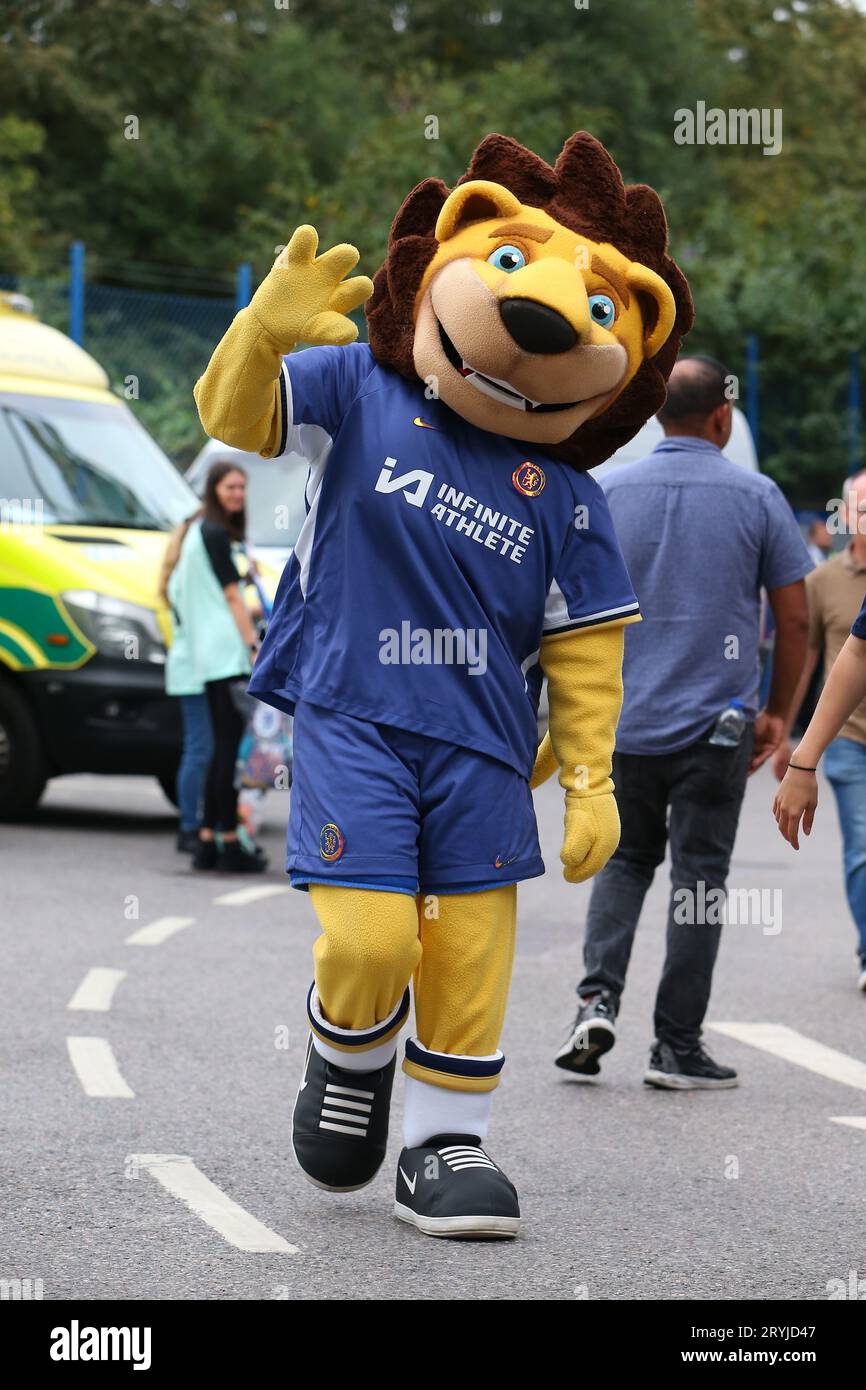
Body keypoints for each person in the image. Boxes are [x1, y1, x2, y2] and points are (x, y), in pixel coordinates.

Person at [193, 132, 693, 1238]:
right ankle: (347, 1044)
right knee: (372, 940)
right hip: (350, 711)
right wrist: (255, 331)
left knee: (467, 949)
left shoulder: (565, 499)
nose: (551, 313)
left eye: (601, 309)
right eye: (514, 266)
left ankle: (440, 1143)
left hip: (480, 745)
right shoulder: (363, 387)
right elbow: (235, 419)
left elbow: (585, 650)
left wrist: (591, 781)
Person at [555, 355, 812, 1089]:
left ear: (654, 417)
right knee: (697, 879)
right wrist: (778, 715)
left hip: (621, 723)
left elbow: (566, 605)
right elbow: (794, 621)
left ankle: (594, 1002)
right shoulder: (757, 496)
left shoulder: (607, 491)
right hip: (717, 729)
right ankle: (676, 1047)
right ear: (723, 417)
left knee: (624, 862)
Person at [772, 470, 866, 989]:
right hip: (851, 739)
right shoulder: (824, 581)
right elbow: (819, 657)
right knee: (862, 848)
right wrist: (793, 740)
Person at [170, 461, 266, 873]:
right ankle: (229, 842)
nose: (237, 494)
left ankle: (208, 837)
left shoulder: (196, 534)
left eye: (242, 488)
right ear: (213, 489)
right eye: (230, 487)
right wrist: (254, 645)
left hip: (206, 655)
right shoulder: (214, 533)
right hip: (227, 653)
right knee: (226, 751)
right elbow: (230, 599)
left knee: (218, 751)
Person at [159, 515, 214, 853]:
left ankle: (195, 821)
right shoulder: (192, 571)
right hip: (194, 670)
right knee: (200, 749)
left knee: (198, 748)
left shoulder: (178, 570)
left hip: (187, 667)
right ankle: (190, 826)